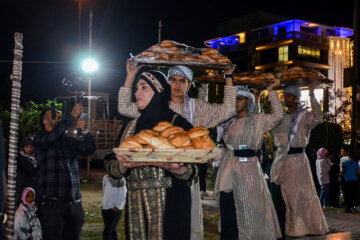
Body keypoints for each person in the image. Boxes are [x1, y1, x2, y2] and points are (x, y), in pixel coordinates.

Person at [117, 59, 237, 239]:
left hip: (181, 180)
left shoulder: (199, 109)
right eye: (173, 80)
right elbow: (123, 107)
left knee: (190, 222)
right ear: (165, 85)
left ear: (189, 85)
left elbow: (228, 109)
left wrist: (228, 77)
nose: (177, 85)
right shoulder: (145, 111)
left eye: (182, 81)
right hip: (139, 197)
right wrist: (131, 76)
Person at [107, 67, 197, 240]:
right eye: (136, 89)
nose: (137, 93)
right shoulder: (129, 128)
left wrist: (179, 170)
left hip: (171, 207)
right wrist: (122, 167)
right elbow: (111, 164)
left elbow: (198, 167)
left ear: (158, 91)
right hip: (136, 208)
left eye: (143, 87)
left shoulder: (178, 125)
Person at [214, 80, 283, 240]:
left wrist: (271, 91)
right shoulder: (229, 121)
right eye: (234, 99)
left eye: (239, 99)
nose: (235, 102)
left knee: (252, 209)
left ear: (248, 101)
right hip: (229, 168)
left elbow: (278, 116)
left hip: (250, 169)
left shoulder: (258, 120)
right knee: (227, 207)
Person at [270, 83, 329, 237]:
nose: (285, 99)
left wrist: (311, 93)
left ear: (296, 98)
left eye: (288, 95)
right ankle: (279, 232)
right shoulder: (280, 117)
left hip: (297, 162)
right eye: (284, 95)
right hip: (279, 160)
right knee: (277, 198)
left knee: (296, 198)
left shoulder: (305, 117)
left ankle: (297, 230)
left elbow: (318, 117)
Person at [34, 104, 96, 240]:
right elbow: (53, 136)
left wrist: (85, 131)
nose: (59, 115)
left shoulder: (68, 141)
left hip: (74, 205)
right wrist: (72, 116)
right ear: (45, 121)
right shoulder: (40, 139)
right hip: (52, 206)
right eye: (54, 114)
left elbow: (89, 150)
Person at [102, 153, 127, 240]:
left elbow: (123, 193)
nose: (105, 166)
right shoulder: (105, 178)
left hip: (115, 209)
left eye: (107, 163)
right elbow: (105, 192)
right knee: (111, 230)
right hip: (105, 208)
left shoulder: (120, 179)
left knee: (108, 231)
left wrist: (119, 206)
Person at [16, 138, 39, 206]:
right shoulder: (19, 157)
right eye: (27, 147)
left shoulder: (34, 158)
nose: (29, 149)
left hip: (31, 185)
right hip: (22, 184)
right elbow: (29, 169)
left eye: (31, 147)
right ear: (23, 148)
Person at [341, 148, 360, 213]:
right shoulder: (356, 163)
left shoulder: (345, 163)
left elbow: (343, 171)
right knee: (353, 194)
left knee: (347, 194)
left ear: (348, 155)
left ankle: (348, 208)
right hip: (354, 180)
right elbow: (358, 172)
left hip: (347, 180)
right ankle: (353, 207)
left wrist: (344, 175)